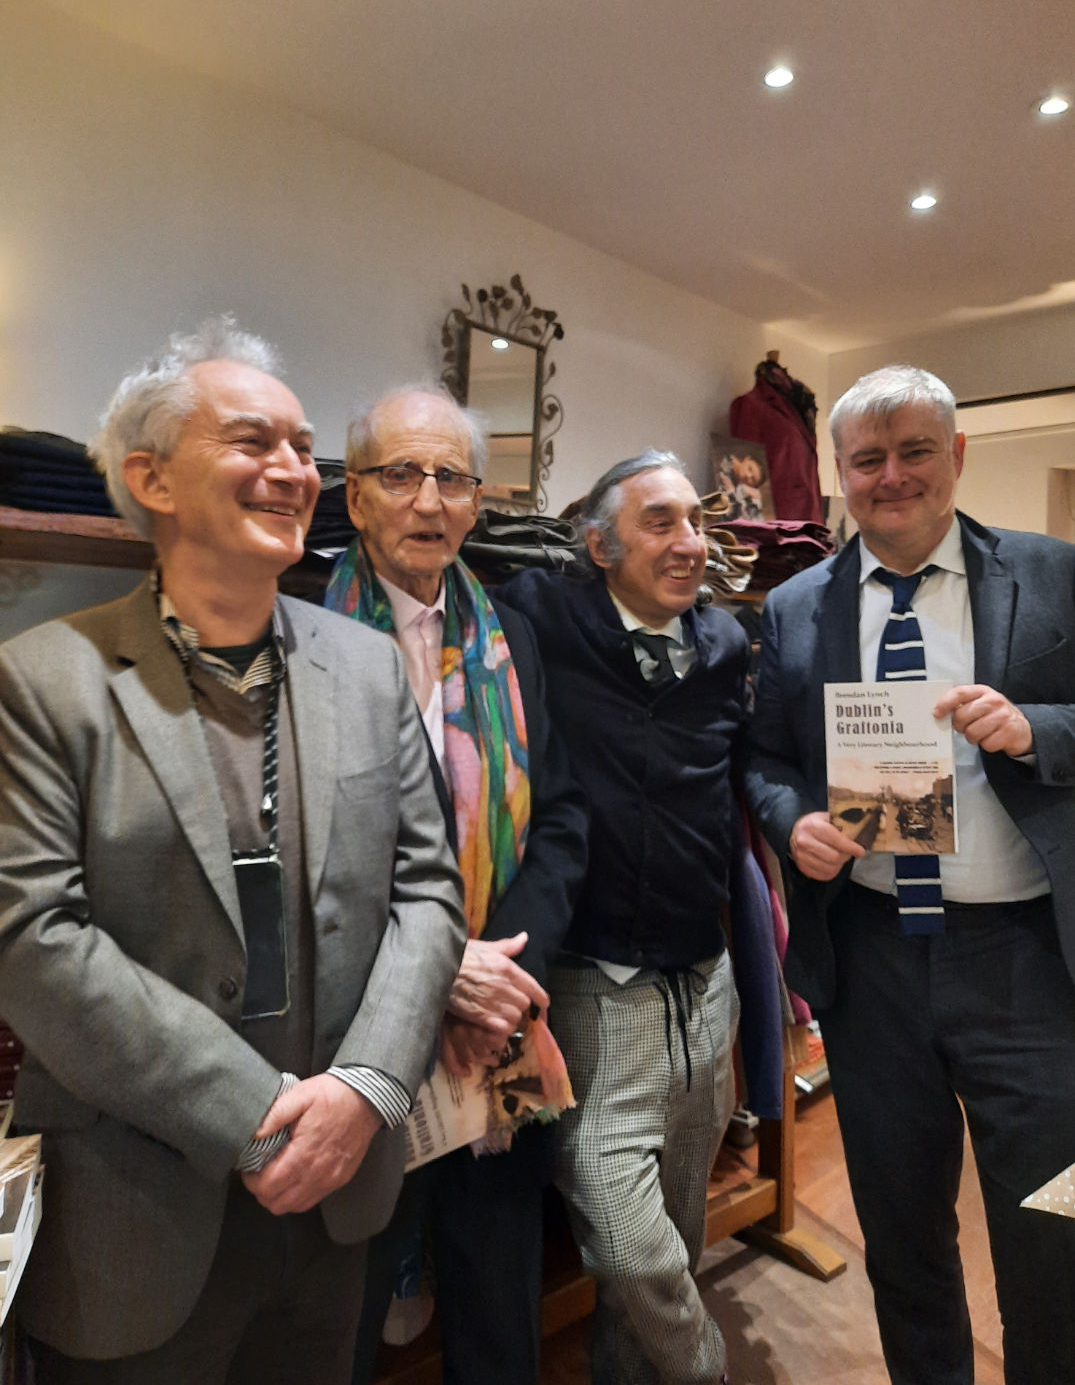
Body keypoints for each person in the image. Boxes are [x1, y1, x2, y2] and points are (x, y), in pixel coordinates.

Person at [0, 320, 466, 1384]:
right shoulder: (42, 681)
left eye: (304, 447)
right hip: (136, 1210)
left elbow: (428, 894)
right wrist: (254, 1122)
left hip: (338, 1197)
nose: (295, 470)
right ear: (151, 479)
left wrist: (366, 1088)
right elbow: (30, 937)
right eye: (254, 441)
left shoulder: (368, 669)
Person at [745, 364, 1075, 1385]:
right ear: (839, 471)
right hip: (873, 957)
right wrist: (792, 820)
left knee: (1053, 1235)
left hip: (1025, 959)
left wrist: (1036, 729)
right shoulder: (794, 606)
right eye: (867, 459)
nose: (891, 476)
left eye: (914, 451)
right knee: (900, 1233)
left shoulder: (1052, 572)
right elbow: (762, 757)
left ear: (956, 455)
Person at [325, 386, 587, 1385]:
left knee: (496, 1306)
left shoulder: (513, 633)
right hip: (357, 1028)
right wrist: (440, 969)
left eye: (451, 478)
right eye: (401, 474)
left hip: (496, 1027)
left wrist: (505, 973)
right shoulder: (299, 631)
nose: (429, 500)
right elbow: (301, 855)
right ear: (356, 496)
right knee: (342, 1316)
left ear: (478, 502)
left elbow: (561, 816)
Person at [499, 450, 745, 1385]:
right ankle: (707, 1371)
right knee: (630, 1246)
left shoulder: (723, 645)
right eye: (659, 522)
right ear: (599, 546)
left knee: (675, 1236)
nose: (689, 543)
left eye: (696, 522)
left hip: (705, 988)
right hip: (596, 993)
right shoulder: (541, 616)